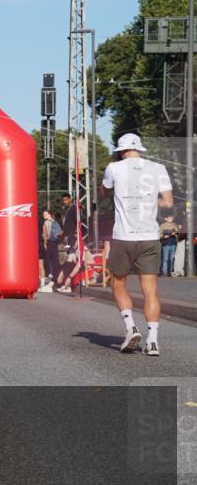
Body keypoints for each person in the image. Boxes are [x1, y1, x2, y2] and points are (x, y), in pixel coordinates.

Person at [99, 133, 173, 356]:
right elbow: (168, 202)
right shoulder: (158, 168)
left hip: (124, 236)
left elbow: (104, 192)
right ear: (140, 149)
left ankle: (131, 328)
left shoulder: (114, 168)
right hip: (150, 237)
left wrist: (102, 190)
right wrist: (151, 200)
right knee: (150, 290)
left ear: (121, 151)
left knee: (117, 283)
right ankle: (152, 341)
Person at [41, 209, 61, 290]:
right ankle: (56, 279)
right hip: (55, 243)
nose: (44, 215)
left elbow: (45, 234)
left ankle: (49, 277)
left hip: (49, 242)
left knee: (47, 261)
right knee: (55, 261)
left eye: (45, 214)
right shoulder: (55, 222)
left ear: (49, 214)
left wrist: (45, 243)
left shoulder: (46, 222)